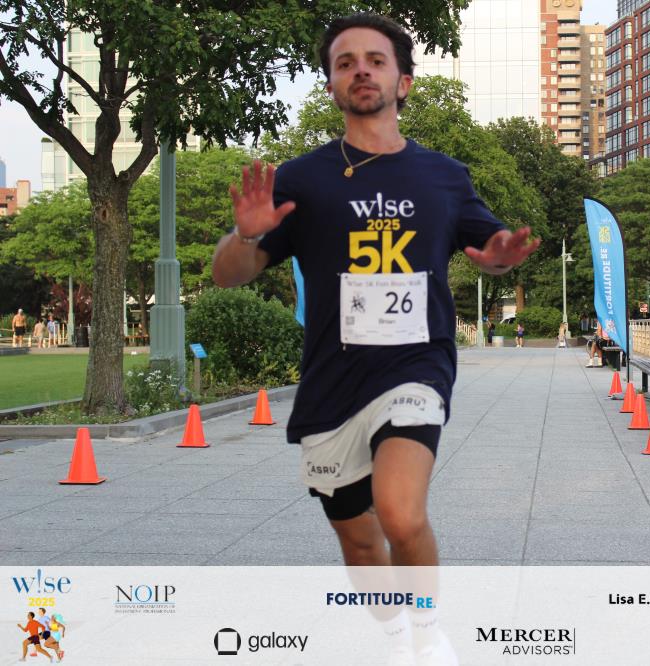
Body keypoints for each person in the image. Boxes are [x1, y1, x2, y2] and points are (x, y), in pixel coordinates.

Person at [211, 14, 538, 665]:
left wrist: (501, 256)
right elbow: (229, 274)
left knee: (400, 512)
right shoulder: (301, 178)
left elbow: (491, 248)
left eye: (375, 59)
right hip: (332, 382)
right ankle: (393, 636)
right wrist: (246, 234)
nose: (360, 69)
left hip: (416, 367)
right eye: (345, 62)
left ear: (403, 81)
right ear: (333, 86)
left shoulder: (443, 175)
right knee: (359, 541)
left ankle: (428, 635)